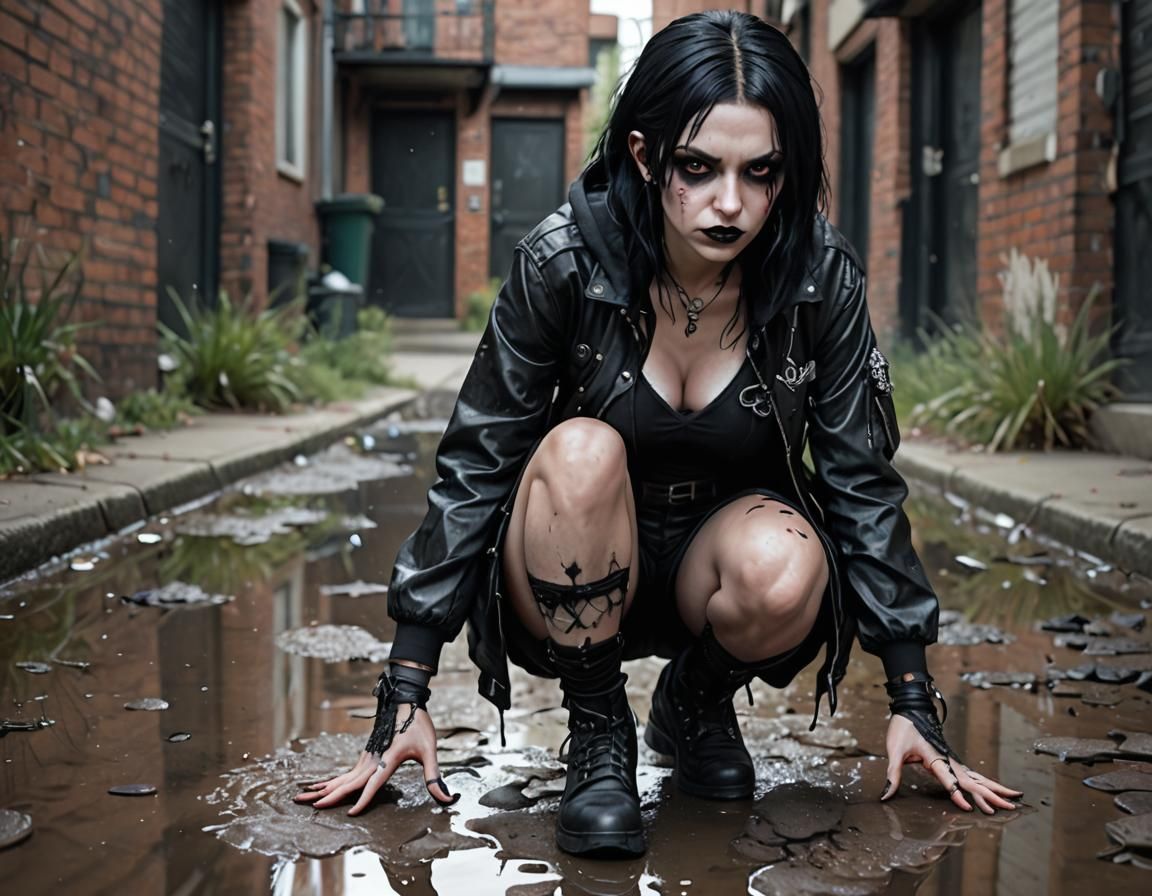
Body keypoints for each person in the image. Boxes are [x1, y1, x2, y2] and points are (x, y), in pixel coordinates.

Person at [295, 10, 1022, 857]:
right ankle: (599, 724)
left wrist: (913, 701)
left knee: (788, 562)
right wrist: (406, 688)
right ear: (645, 156)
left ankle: (694, 703)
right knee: (579, 451)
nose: (730, 203)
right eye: (698, 167)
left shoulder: (817, 279)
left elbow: (861, 478)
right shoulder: (562, 262)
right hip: (566, 564)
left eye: (760, 172)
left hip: (716, 572)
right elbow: (476, 463)